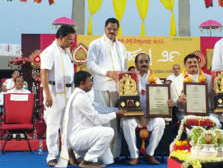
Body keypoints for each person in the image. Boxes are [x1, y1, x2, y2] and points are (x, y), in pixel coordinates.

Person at [56, 71, 126, 168]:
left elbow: (100, 109)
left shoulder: (81, 94)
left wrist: (116, 110)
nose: (92, 83)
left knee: (108, 160)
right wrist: (115, 114)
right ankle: (87, 160)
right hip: (78, 138)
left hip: (81, 136)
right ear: (82, 83)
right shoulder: (80, 97)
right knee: (108, 132)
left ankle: (73, 152)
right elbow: (96, 118)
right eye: (90, 81)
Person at [87, 18, 127, 159]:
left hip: (118, 90)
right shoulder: (96, 44)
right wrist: (107, 73)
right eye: (109, 28)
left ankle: (115, 154)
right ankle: (102, 155)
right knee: (104, 121)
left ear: (117, 30)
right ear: (105, 28)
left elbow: (124, 69)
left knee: (117, 121)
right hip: (102, 88)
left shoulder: (121, 47)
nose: (112, 31)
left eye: (115, 29)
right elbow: (90, 65)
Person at [121, 53, 165, 165]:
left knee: (160, 122)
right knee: (127, 122)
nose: (144, 64)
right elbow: (122, 97)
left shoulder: (156, 79)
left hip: (150, 116)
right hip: (134, 116)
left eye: (146, 61)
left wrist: (169, 102)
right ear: (136, 64)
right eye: (141, 62)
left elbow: (163, 98)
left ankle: (149, 154)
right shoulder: (129, 78)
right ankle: (134, 155)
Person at [40, 25, 75, 167]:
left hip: (68, 91)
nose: (71, 42)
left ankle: (66, 154)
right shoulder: (49, 51)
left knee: (67, 125)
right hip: (54, 91)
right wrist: (48, 94)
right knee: (54, 125)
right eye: (69, 40)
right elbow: (44, 73)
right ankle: (52, 156)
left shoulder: (67, 52)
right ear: (61, 38)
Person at [169, 54, 221, 128]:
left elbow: (215, 97)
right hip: (186, 114)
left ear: (199, 64)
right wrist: (178, 100)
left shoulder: (209, 79)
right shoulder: (176, 82)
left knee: (216, 123)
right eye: (189, 62)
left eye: (195, 62)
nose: (193, 64)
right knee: (193, 125)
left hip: (207, 113)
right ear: (185, 66)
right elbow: (172, 102)